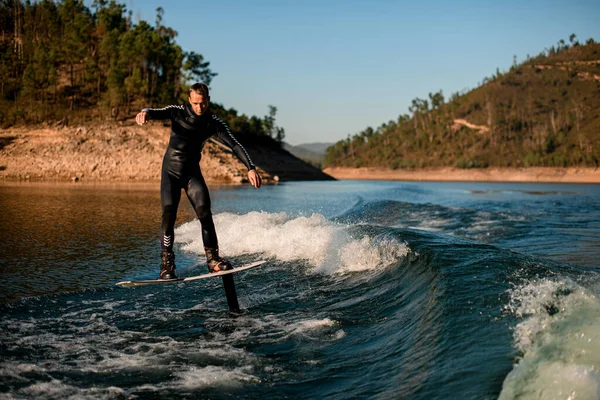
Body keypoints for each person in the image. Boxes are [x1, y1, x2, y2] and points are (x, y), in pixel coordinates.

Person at [136, 82, 262, 280]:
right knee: (169, 213)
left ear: (208, 101)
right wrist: (144, 112)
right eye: (195, 103)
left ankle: (213, 261)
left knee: (204, 211)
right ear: (189, 100)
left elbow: (235, 145)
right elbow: (153, 111)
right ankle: (166, 266)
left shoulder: (213, 122)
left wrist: (250, 167)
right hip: (171, 172)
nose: (199, 108)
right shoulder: (178, 111)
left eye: (202, 103)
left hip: (191, 174)